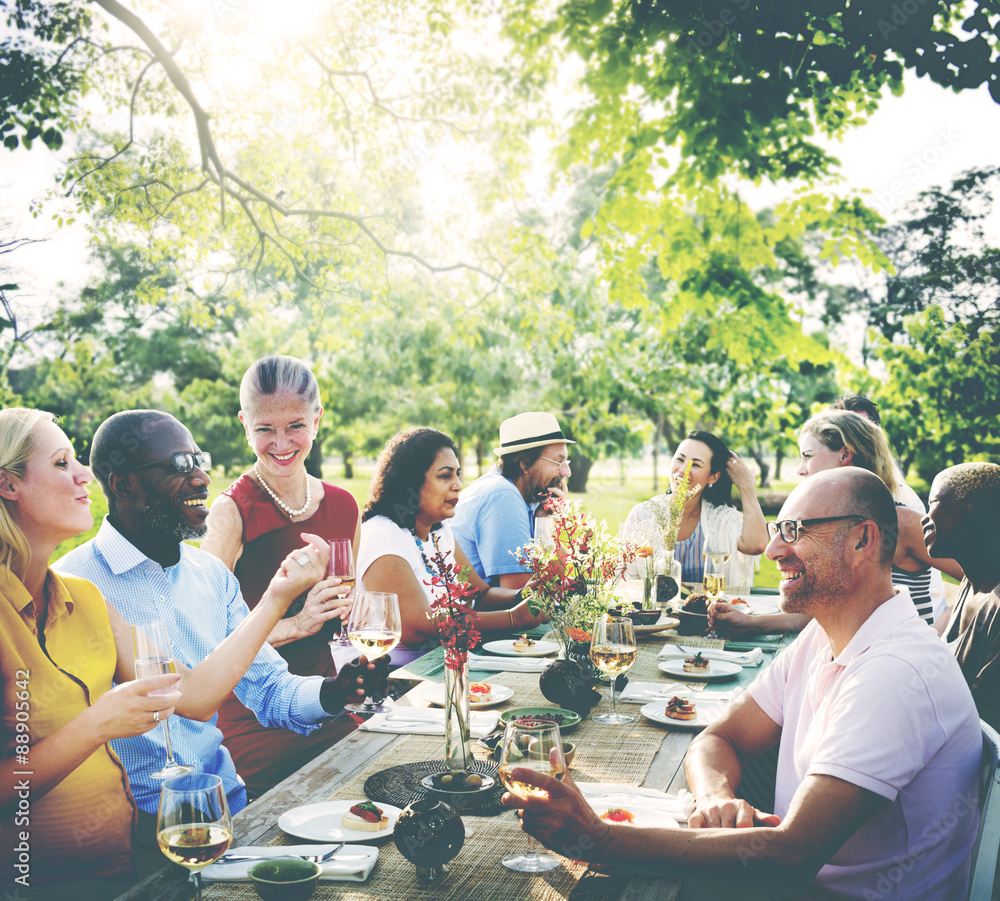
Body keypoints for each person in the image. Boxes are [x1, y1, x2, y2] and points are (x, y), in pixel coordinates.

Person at [502, 468, 982, 899]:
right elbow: (719, 736)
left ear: (862, 541)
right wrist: (716, 801)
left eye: (794, 531)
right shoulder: (827, 632)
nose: (773, 550)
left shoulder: (896, 672)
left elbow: (788, 857)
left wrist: (600, 838)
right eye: (778, 531)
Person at [0, 408, 327, 898]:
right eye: (63, 462)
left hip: (126, 862)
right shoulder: (66, 587)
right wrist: (97, 724)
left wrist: (278, 597)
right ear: (9, 485)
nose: (84, 475)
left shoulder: (82, 599)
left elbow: (190, 697)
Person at [55, 410, 388, 835]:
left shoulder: (211, 576)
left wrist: (334, 692)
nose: (201, 478)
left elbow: (269, 689)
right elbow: (185, 697)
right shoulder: (74, 585)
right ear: (124, 484)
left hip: (226, 808)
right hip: (131, 828)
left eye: (200, 461)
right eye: (180, 465)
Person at [200, 355, 358, 796]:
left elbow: (350, 617)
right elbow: (204, 645)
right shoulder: (230, 514)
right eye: (265, 428)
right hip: (253, 719)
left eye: (295, 426)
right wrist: (298, 624)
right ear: (244, 424)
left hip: (331, 703)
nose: (282, 442)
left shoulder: (345, 505)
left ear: (317, 419)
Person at [710, 411, 963, 635]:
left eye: (808, 456)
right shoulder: (831, 524)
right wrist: (750, 623)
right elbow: (818, 610)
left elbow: (986, 580)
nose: (800, 470)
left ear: (845, 453)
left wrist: (938, 631)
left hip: (901, 663)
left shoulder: (900, 523)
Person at [358, 428, 544, 665]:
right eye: (445, 476)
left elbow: (480, 595)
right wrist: (513, 619)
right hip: (394, 676)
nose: (458, 485)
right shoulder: (382, 534)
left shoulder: (439, 530)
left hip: (448, 661)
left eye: (457, 475)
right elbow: (417, 628)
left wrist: (523, 596)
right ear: (410, 482)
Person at [831, 392, 947, 616]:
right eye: (843, 431)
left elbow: (972, 576)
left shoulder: (901, 507)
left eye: (861, 429)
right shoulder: (835, 507)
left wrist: (947, 622)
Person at [621, 430, 767, 587]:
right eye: (680, 459)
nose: (683, 469)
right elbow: (627, 579)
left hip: (708, 611)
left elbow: (756, 544)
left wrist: (747, 488)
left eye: (696, 464)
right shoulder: (643, 515)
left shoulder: (721, 520)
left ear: (713, 477)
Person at [451, 412, 572, 589]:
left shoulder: (528, 495)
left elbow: (557, 577)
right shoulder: (502, 496)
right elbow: (523, 597)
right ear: (524, 464)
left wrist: (545, 520)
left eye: (566, 461)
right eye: (558, 462)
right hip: (484, 613)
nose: (566, 472)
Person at [924, 462, 1000, 733]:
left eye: (932, 502)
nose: (924, 517)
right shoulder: (973, 582)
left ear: (973, 506)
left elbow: (987, 729)